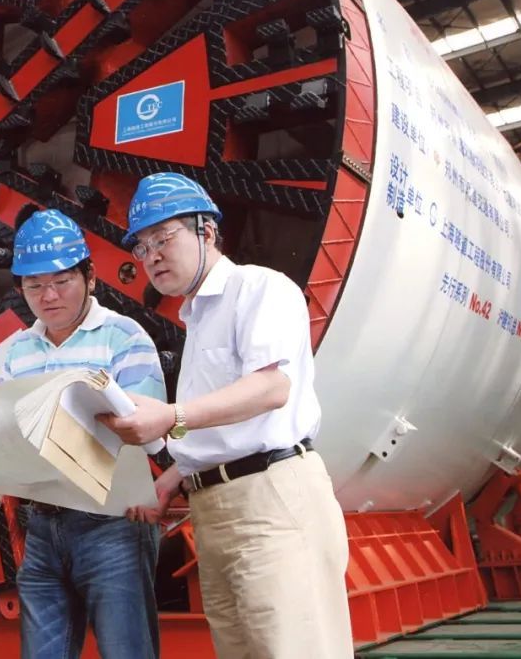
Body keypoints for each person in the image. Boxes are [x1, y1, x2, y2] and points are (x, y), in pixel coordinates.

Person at [98, 173, 353, 659]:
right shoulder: (197, 317)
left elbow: (271, 389)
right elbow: (224, 423)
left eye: (163, 238)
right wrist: (175, 475)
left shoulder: (258, 288)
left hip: (270, 502)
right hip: (215, 510)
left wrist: (169, 416)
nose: (152, 256)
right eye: (142, 247)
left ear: (207, 231)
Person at [0, 209, 167, 659]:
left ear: (90, 277)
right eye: (34, 285)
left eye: (62, 280)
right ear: (20, 289)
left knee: (126, 651)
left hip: (112, 524)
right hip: (42, 526)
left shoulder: (124, 338)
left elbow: (151, 434)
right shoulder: (16, 351)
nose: (49, 295)